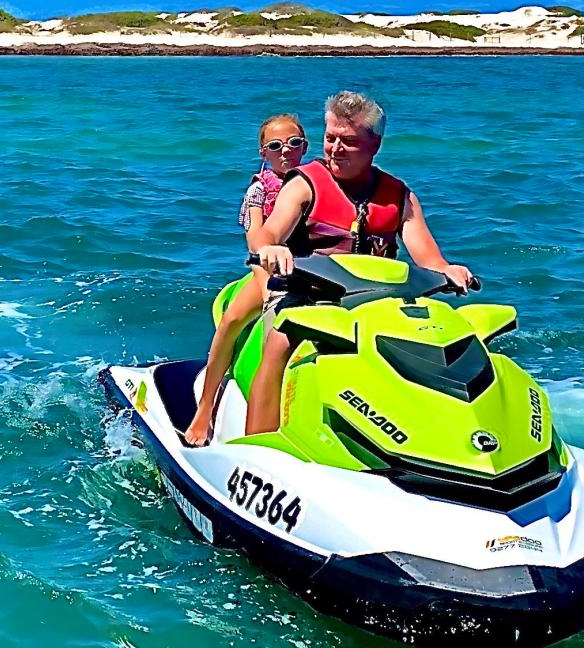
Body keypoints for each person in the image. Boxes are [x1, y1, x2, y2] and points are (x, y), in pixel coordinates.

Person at [245, 91, 474, 436]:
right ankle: (256, 442)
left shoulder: (399, 196)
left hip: (377, 304)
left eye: (349, 141)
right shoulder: (304, 184)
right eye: (330, 138)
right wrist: (271, 249)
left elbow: (429, 258)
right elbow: (270, 231)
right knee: (280, 340)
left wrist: (450, 271)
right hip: (307, 298)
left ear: (374, 145)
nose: (336, 149)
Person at [183, 113, 308, 446]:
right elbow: (255, 240)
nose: (286, 151)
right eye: (276, 146)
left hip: (311, 272)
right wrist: (268, 284)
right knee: (232, 321)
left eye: (294, 143)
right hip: (266, 268)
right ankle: (205, 407)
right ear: (263, 152)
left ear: (305, 147)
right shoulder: (259, 190)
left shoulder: (315, 182)